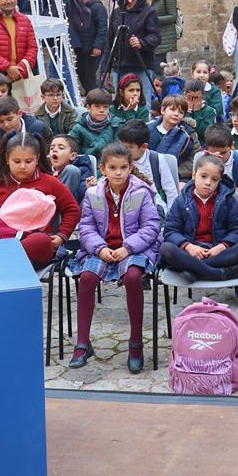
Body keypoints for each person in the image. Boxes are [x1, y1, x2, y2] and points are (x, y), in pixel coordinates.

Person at [69, 143, 161, 373]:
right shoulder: (93, 194)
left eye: (123, 167)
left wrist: (128, 248)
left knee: (132, 277)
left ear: (130, 168)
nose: (118, 172)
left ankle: (136, 343)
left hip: (133, 249)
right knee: (87, 277)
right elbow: (86, 227)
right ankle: (82, 343)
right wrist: (99, 249)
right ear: (103, 169)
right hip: (103, 248)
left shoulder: (142, 192)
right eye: (112, 167)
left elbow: (151, 227)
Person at [0, 130, 80, 269]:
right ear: (7, 158)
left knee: (40, 241)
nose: (22, 166)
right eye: (17, 161)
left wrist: (62, 235)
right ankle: (4, 262)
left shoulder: (50, 182)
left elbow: (72, 209)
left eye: (28, 161)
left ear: (37, 159)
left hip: (29, 240)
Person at [160, 154, 238, 281]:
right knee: (166, 249)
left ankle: (193, 270)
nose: (208, 182)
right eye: (203, 176)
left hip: (217, 252)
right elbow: (171, 231)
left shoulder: (228, 200)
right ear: (194, 175)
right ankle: (218, 274)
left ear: (220, 181)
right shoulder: (181, 200)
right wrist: (188, 246)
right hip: (191, 252)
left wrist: (222, 246)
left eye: (214, 179)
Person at [106, 0, 160, 110]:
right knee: (118, 104)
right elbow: (110, 42)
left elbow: (156, 37)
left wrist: (142, 42)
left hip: (141, 65)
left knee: (143, 104)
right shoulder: (117, 13)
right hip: (119, 66)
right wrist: (106, 69)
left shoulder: (148, 11)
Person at [65, 0, 108, 99]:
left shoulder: (98, 7)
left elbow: (102, 28)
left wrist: (98, 46)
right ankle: (91, 96)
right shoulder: (79, 7)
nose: (81, 0)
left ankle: (96, 98)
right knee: (81, 72)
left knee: (89, 75)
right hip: (82, 47)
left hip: (92, 47)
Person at [148, 0, 179, 92]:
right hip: (155, 36)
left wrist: (154, 19)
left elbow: (173, 16)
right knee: (162, 66)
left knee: (157, 66)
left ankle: (159, 91)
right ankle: (165, 91)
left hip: (164, 37)